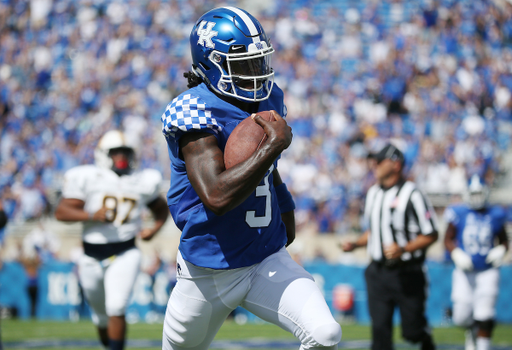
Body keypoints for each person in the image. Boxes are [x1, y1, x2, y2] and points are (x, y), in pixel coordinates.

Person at [160, 6, 341, 350]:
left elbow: (268, 174)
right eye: (243, 64)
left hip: (264, 256)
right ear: (212, 63)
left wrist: (285, 206)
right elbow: (216, 196)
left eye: (258, 61)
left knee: (324, 333)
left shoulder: (268, 98)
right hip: (209, 267)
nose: (255, 73)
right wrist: (272, 147)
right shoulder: (193, 111)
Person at [55, 130, 169, 350]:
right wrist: (90, 215)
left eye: (126, 153)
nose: (122, 158)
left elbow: (161, 210)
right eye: (116, 153)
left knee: (116, 306)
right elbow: (61, 212)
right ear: (103, 155)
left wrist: (154, 230)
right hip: (90, 256)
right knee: (100, 317)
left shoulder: (142, 180)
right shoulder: (88, 177)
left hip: (126, 252)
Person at [342, 143, 438, 350]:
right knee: (380, 332)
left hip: (407, 272)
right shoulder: (373, 192)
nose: (373, 164)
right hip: (377, 272)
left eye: (379, 160)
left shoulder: (413, 194)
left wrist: (403, 249)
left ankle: (425, 338)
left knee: (412, 331)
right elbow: (375, 230)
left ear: (396, 164)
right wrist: (356, 244)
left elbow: (431, 234)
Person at [444, 174, 509, 350]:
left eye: (480, 193)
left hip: (488, 270)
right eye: (473, 194)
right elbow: (447, 239)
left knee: (485, 313)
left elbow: (504, 240)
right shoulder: (459, 212)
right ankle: (471, 330)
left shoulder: (496, 213)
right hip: (464, 272)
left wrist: (501, 249)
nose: (477, 197)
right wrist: (456, 253)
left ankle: (483, 347)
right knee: (461, 317)